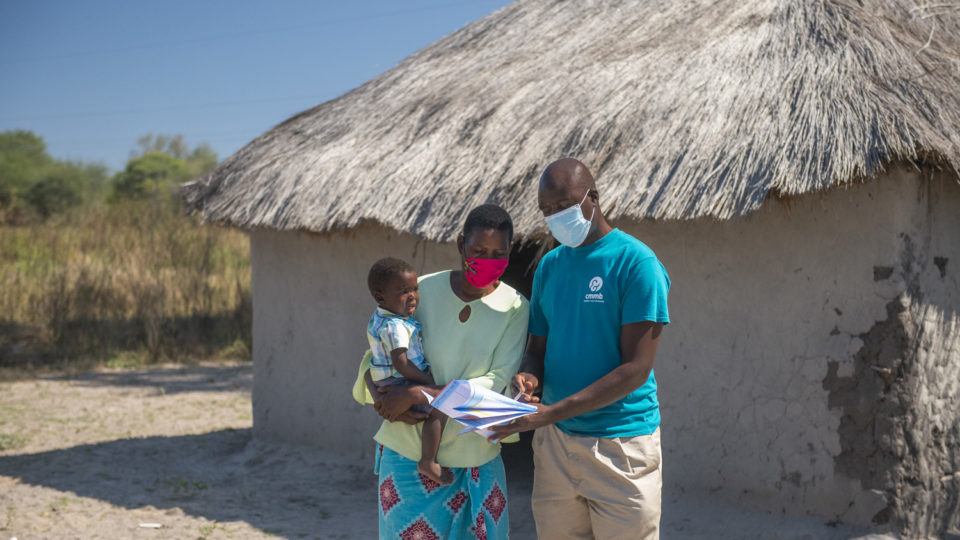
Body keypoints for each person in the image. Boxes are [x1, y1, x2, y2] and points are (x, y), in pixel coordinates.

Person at [491, 158, 671, 540]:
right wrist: (529, 377)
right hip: (556, 445)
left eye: (563, 205)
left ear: (593, 197)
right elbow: (537, 346)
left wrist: (551, 412)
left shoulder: (636, 263)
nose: (555, 216)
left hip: (620, 445)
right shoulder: (550, 267)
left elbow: (636, 369)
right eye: (547, 210)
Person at [352, 204, 528, 539]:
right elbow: (374, 355)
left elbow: (496, 381)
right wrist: (382, 396)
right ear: (461, 244)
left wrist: (419, 394)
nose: (488, 259)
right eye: (478, 251)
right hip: (407, 456)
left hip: (475, 458)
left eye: (498, 254)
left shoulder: (515, 308)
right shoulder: (420, 291)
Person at [365, 257, 450, 485]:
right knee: (439, 407)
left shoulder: (380, 317)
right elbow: (401, 363)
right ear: (380, 296)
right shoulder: (395, 326)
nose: (412, 295)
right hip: (399, 381)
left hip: (383, 379)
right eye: (403, 291)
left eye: (415, 289)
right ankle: (429, 461)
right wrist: (428, 383)